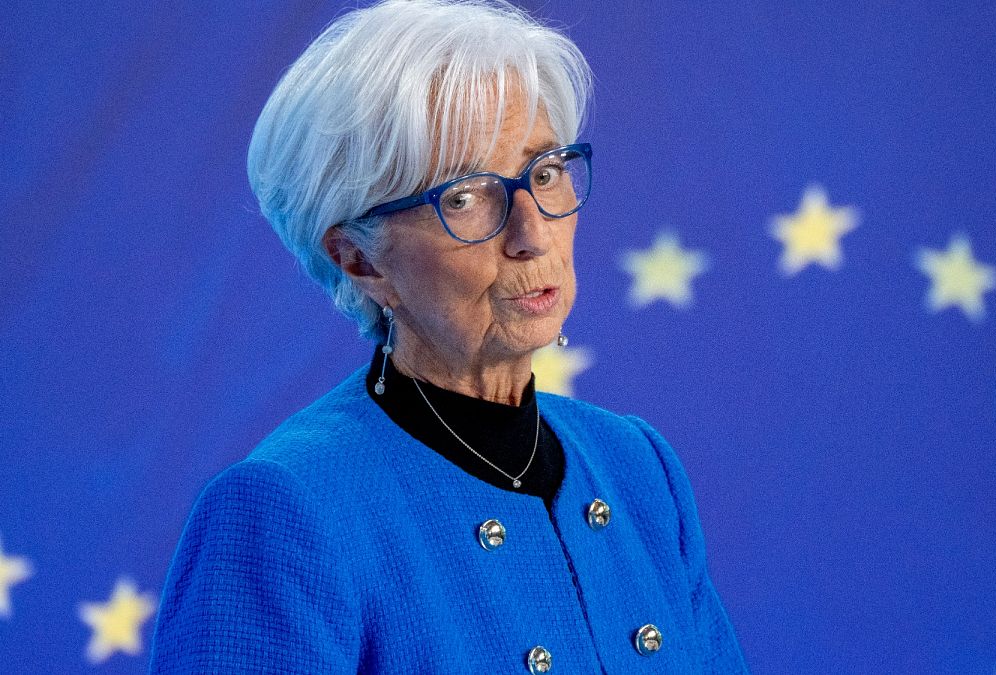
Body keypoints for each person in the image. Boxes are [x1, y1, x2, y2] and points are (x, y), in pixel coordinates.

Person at [149, 0, 748, 672]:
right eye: (465, 196)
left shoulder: (637, 466)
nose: (532, 234)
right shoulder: (283, 510)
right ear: (360, 260)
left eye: (545, 171)